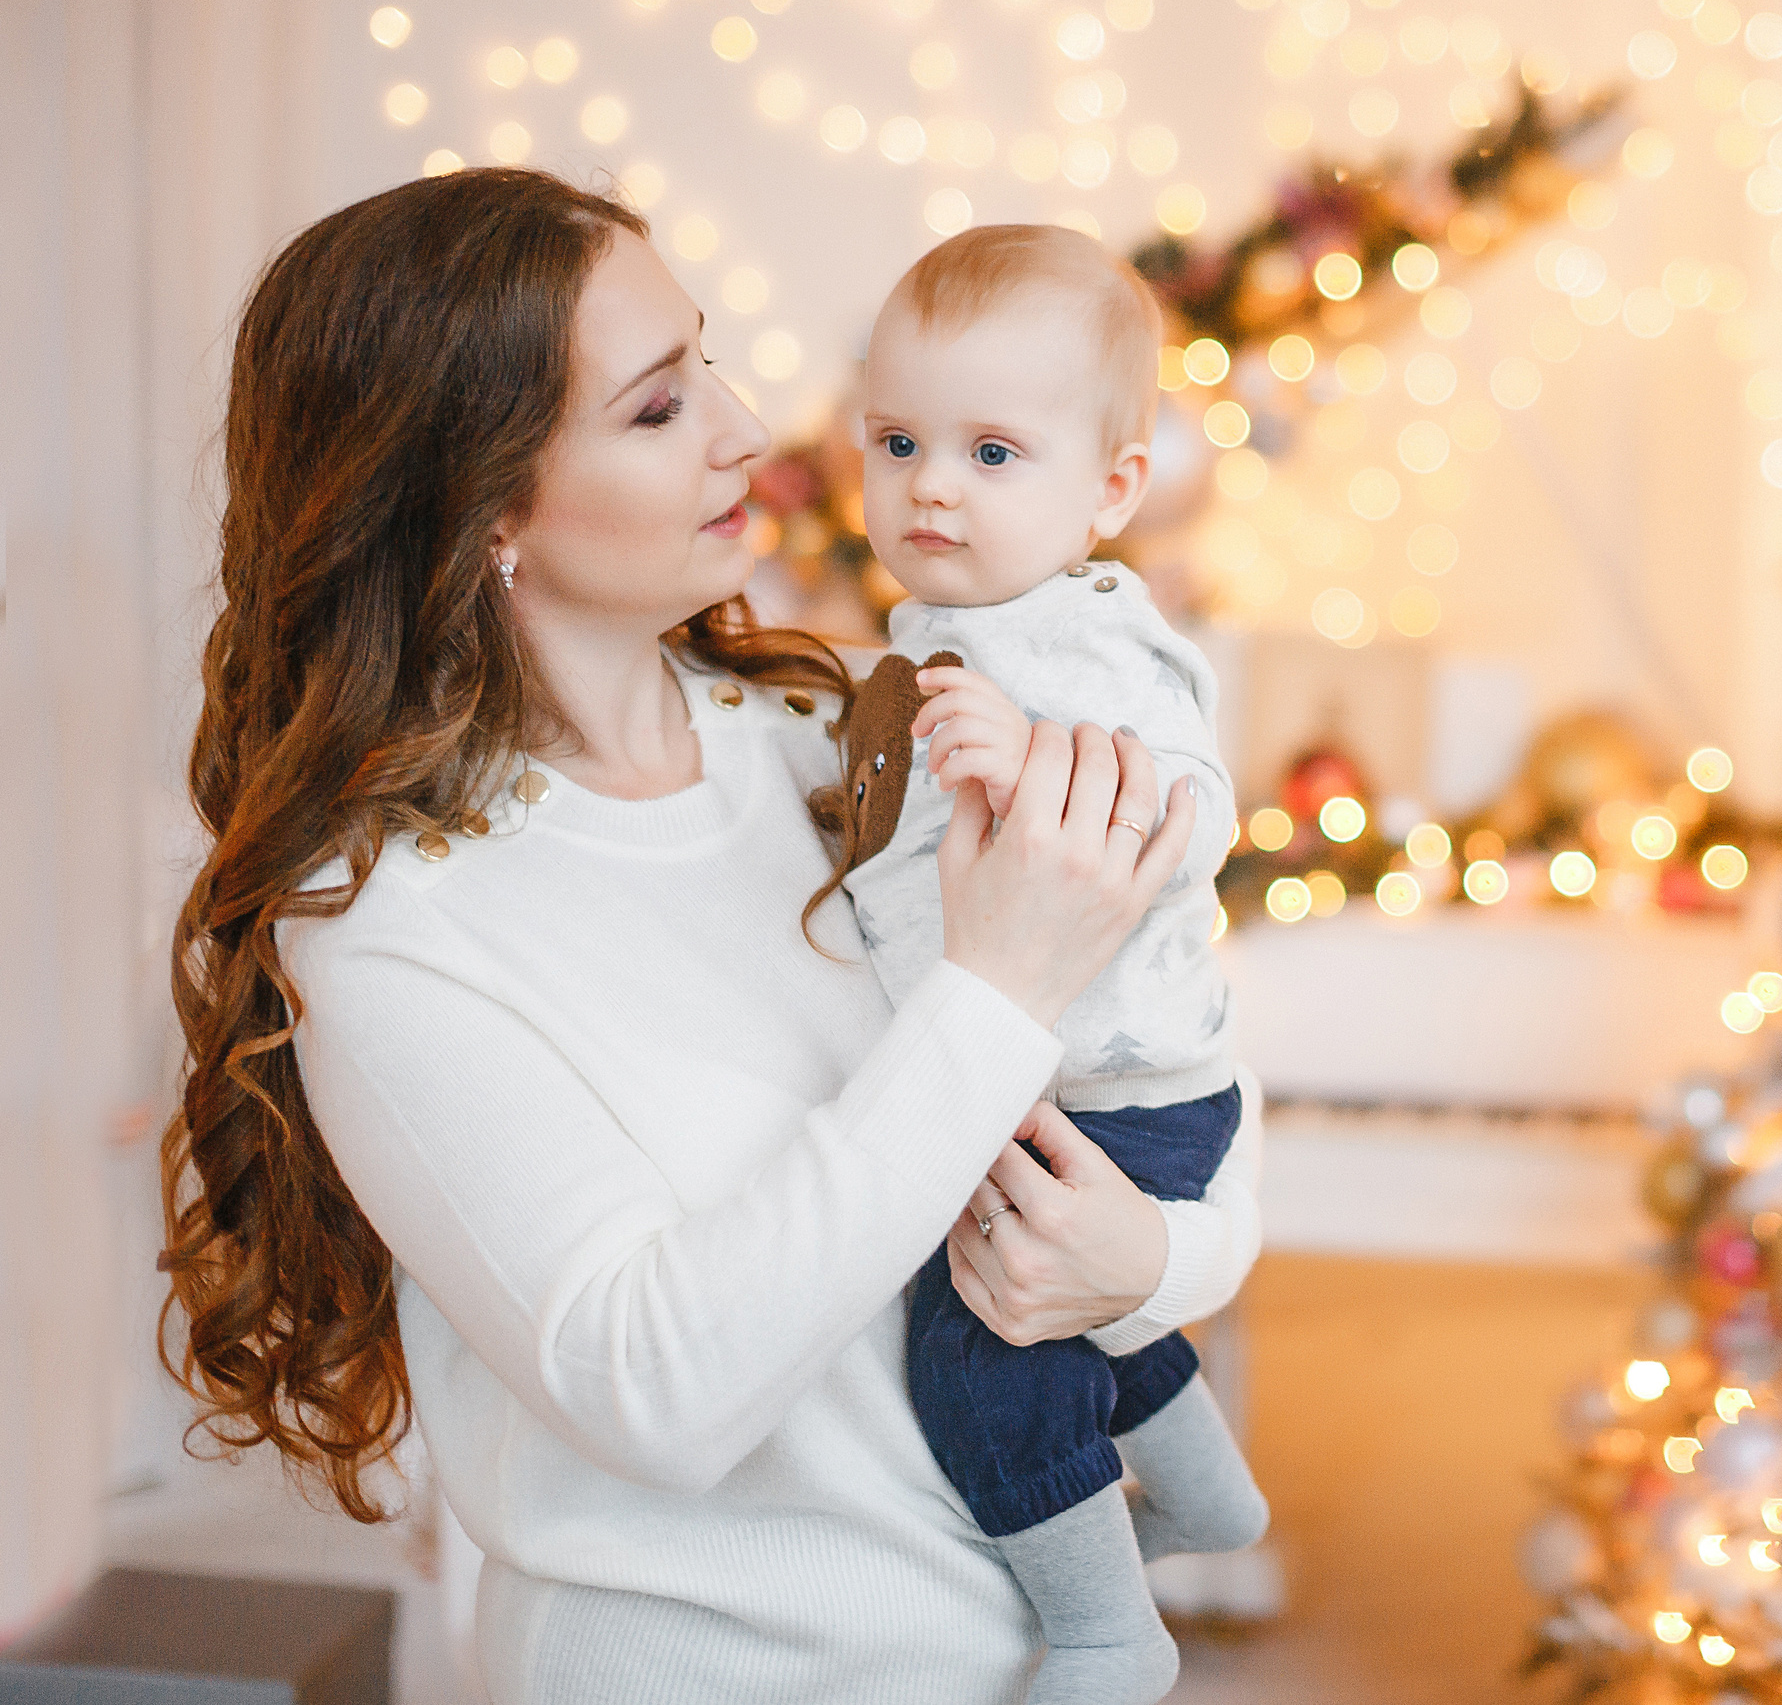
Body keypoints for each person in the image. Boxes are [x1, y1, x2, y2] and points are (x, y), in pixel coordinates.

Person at [156, 167, 1262, 1705]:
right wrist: (1000, 984)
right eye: (661, 405)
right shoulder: (389, 919)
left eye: (712, 357)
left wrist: (1150, 1256)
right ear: (482, 506)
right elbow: (656, 1385)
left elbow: (1173, 1045)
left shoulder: (839, 737)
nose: (751, 428)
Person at [842, 225, 1264, 1705]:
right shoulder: (954, 627)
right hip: (1086, 1078)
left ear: (1114, 489)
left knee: (983, 1354)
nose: (931, 484)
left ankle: (1102, 1632)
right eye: (898, 440)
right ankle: (1209, 1499)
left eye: (992, 452)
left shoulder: (1079, 647)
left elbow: (1196, 811)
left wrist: (1038, 763)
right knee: (1065, 1299)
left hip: (1118, 1086)